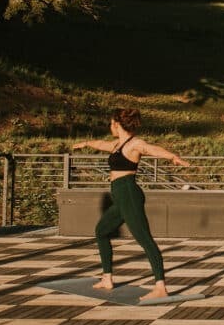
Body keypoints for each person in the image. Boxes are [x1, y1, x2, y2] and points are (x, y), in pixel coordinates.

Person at [73, 108, 189, 302]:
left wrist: (172, 157)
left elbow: (152, 149)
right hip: (119, 194)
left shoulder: (134, 144)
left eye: (111, 123)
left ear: (117, 124)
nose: (110, 127)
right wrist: (85, 143)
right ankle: (107, 278)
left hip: (129, 193)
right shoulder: (118, 144)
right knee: (101, 231)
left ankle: (160, 286)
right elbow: (102, 144)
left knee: (144, 239)